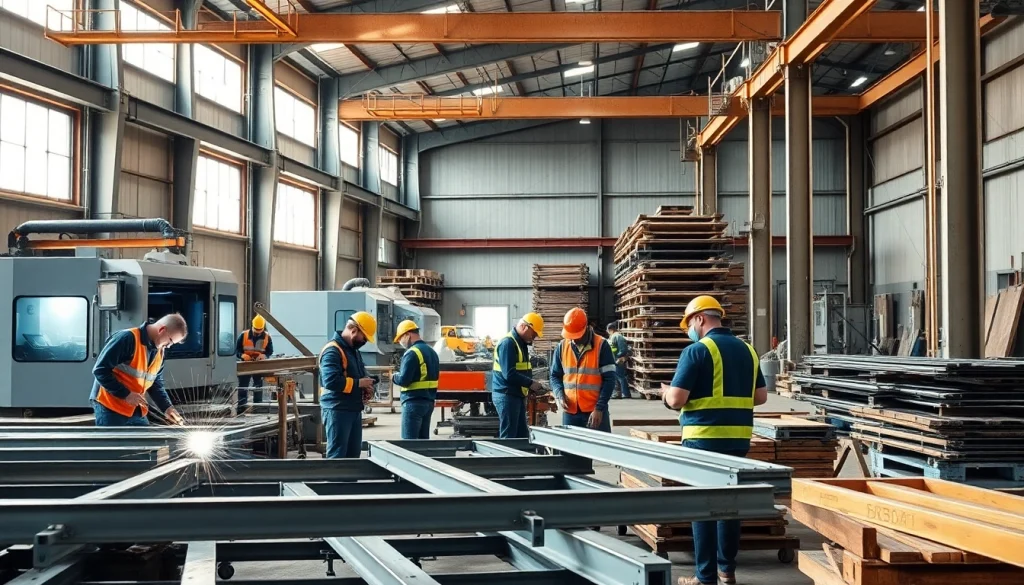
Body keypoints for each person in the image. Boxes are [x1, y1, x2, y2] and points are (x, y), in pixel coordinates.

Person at [660, 296, 768, 585]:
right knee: (729, 506)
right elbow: (760, 396)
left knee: (703, 506)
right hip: (738, 441)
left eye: (689, 324)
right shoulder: (749, 350)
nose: (690, 330)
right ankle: (726, 571)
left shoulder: (696, 351)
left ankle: (704, 576)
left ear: (699, 319)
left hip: (703, 442)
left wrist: (664, 394)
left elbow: (677, 398)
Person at [90, 314, 188, 427]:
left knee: (144, 443)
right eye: (170, 341)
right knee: (114, 444)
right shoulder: (127, 338)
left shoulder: (160, 351)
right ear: (162, 329)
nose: (169, 346)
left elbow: (155, 383)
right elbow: (100, 370)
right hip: (110, 406)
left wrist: (167, 408)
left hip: (136, 409)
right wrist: (125, 394)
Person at [319, 312, 377, 458]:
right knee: (337, 456)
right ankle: (334, 481)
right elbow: (331, 381)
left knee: (352, 456)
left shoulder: (353, 351)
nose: (364, 341)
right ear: (353, 330)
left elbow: (358, 374)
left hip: (352, 409)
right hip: (337, 409)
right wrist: (359, 383)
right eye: (364, 337)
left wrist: (366, 385)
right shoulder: (332, 350)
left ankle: (349, 481)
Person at [550, 308, 616, 432]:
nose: (573, 339)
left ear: (586, 327)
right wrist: (559, 393)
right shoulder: (562, 347)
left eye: (576, 335)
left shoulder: (602, 346)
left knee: (598, 449)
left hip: (594, 411)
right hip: (570, 412)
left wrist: (599, 408)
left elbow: (609, 380)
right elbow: (554, 376)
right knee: (569, 451)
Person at [491, 312, 545, 439]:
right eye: (534, 333)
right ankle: (505, 458)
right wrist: (531, 383)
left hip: (516, 395)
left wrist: (528, 388)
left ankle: (519, 458)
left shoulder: (521, 343)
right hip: (506, 395)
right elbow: (509, 374)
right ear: (524, 327)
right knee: (509, 437)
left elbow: (523, 370)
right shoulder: (508, 343)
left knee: (521, 436)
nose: (535, 337)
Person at [393, 319, 439, 440]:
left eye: (400, 338)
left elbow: (404, 380)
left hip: (413, 402)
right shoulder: (432, 352)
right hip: (428, 402)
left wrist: (393, 376)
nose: (400, 342)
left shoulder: (412, 353)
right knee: (423, 444)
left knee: (409, 446)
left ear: (408, 334)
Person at [236, 315, 274, 411]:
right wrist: (242, 355)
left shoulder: (267, 337)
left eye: (259, 330)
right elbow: (236, 350)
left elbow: (270, 351)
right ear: (252, 326)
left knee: (258, 386)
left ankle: (258, 407)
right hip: (246, 364)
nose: (257, 332)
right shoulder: (243, 335)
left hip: (258, 364)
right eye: (256, 329)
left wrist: (264, 356)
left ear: (262, 328)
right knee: (243, 386)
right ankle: (241, 408)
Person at [606, 321, 632, 399]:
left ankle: (626, 393)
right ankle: (618, 393)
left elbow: (623, 349)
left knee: (620, 376)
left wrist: (618, 357)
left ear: (610, 329)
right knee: (616, 377)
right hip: (614, 360)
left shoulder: (618, 337)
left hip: (618, 360)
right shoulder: (613, 337)